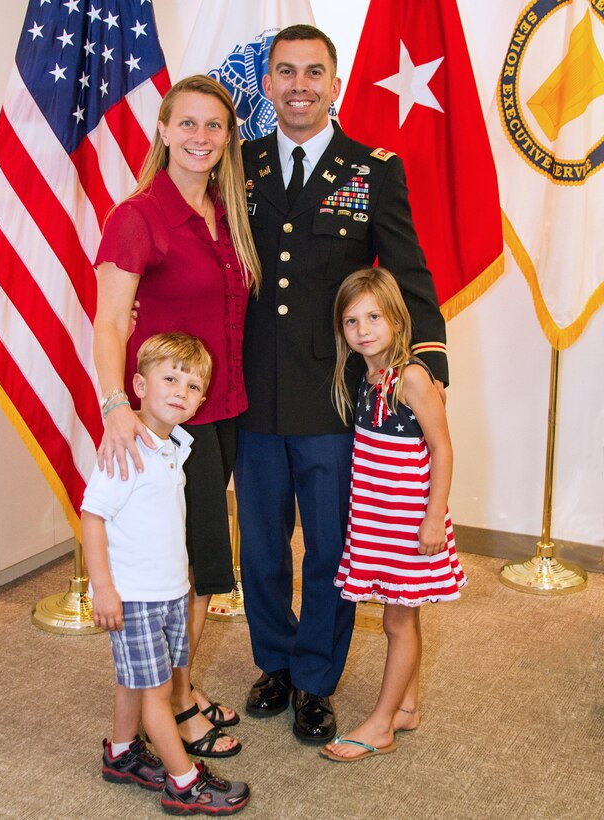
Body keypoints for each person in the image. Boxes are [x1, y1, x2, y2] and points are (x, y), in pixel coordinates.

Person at [235, 24, 449, 744]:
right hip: (255, 393)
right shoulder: (242, 164)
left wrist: (428, 365)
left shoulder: (373, 168)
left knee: (331, 548)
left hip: (334, 398)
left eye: (314, 73)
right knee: (262, 547)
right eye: (286, 73)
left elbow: (410, 272)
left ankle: (316, 678)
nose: (299, 85)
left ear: (335, 83)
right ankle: (274, 663)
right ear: (268, 85)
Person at [93, 75, 261, 758]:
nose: (200, 137)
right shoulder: (137, 216)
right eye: (186, 123)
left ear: (227, 139)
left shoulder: (229, 210)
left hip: (221, 413)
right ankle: (177, 705)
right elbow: (108, 323)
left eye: (213, 126)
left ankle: (179, 691)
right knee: (179, 570)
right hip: (165, 427)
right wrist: (115, 408)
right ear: (163, 131)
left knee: (201, 565)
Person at [81, 333, 250, 813]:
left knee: (134, 682)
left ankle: (120, 752)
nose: (181, 391)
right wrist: (105, 589)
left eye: (194, 386)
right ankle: (183, 781)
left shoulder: (174, 442)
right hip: (134, 596)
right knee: (157, 694)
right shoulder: (126, 448)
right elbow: (92, 517)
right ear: (138, 383)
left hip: (170, 592)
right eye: (170, 378)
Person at [319, 267, 466, 761]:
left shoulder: (413, 378)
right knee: (402, 617)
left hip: (409, 523)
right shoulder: (368, 374)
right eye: (351, 321)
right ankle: (406, 706)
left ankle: (380, 723)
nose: (362, 329)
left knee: (397, 623)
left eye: (373, 317)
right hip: (379, 518)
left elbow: (442, 450)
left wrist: (432, 518)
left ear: (397, 318)